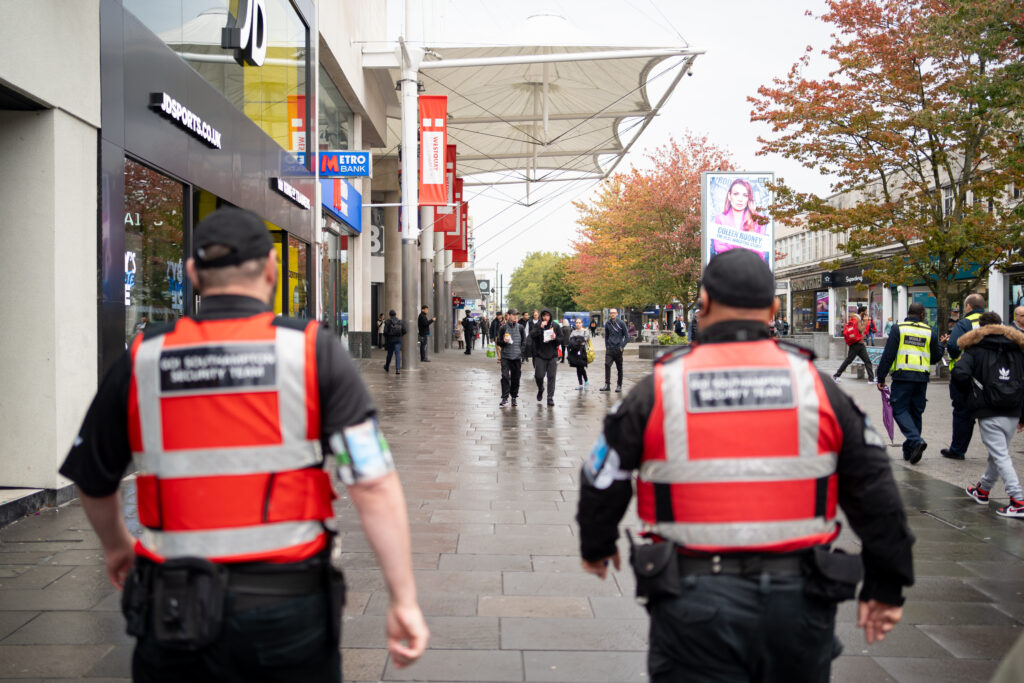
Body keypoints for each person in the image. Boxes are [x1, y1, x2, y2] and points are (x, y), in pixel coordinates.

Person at [59, 208, 428, 681]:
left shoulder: (144, 357)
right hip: (288, 607)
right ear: (272, 270)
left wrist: (116, 547)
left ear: (193, 274)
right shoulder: (313, 351)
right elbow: (372, 482)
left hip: (172, 607)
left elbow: (93, 476)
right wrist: (403, 598)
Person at [576, 248, 914, 683]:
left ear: (703, 304)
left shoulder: (660, 388)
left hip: (693, 602)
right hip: (800, 602)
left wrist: (597, 545)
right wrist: (887, 584)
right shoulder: (817, 388)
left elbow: (602, 476)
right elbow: (875, 489)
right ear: (773, 310)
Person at [950, 312, 1024, 517]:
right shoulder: (1017, 348)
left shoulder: (975, 349)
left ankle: (1017, 500)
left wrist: (971, 395)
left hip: (988, 409)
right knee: (997, 453)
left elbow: (960, 374)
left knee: (1000, 455)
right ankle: (982, 490)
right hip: (1013, 410)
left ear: (979, 328)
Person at [876, 302, 943, 464]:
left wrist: (881, 376)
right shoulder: (930, 332)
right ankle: (910, 450)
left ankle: (915, 440)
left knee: (899, 409)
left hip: (902, 376)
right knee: (915, 411)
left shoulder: (898, 328)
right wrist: (941, 344)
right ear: (923, 315)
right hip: (921, 377)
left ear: (908, 313)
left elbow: (889, 354)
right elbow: (935, 357)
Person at [943, 293, 987, 460]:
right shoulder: (996, 321)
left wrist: (957, 359)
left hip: (967, 374)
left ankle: (958, 449)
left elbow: (954, 346)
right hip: (990, 374)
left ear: (968, 306)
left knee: (963, 412)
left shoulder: (965, 322)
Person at [710, 178, 770, 261]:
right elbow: (719, 247)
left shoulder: (758, 220)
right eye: (736, 194)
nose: (740, 199)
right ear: (729, 196)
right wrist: (746, 245)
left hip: (751, 268)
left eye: (745, 195)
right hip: (727, 267)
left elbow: (760, 251)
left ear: (749, 198)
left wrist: (731, 244)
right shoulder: (720, 218)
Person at [833, 306, 875, 383]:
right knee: (850, 360)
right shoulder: (857, 319)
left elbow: (859, 331)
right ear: (862, 312)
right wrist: (866, 322)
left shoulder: (855, 318)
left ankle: (871, 379)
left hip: (858, 343)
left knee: (866, 361)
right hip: (856, 344)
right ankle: (836, 375)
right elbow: (861, 329)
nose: (866, 314)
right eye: (866, 312)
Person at [530, 308, 562, 406]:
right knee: (538, 376)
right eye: (544, 315)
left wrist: (555, 337)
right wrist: (540, 327)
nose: (545, 317)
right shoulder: (538, 325)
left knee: (551, 377)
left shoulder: (555, 326)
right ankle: (540, 388)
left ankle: (550, 397)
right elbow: (532, 335)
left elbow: (561, 339)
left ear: (550, 316)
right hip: (540, 355)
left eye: (547, 315)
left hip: (552, 355)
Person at [496, 308, 524, 407]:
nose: (516, 316)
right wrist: (504, 341)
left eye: (517, 315)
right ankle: (504, 398)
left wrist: (522, 352)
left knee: (516, 378)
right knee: (505, 376)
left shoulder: (521, 327)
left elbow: (523, 341)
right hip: (506, 356)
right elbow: (498, 342)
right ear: (508, 315)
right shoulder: (503, 328)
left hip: (516, 357)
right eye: (513, 314)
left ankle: (514, 397)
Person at [601, 308, 629, 393]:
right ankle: (607, 385)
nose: (612, 314)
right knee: (607, 365)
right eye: (611, 313)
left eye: (614, 313)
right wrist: (607, 346)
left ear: (617, 314)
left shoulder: (621, 323)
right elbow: (606, 336)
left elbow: (627, 337)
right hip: (610, 348)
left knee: (619, 368)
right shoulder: (608, 323)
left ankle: (619, 385)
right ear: (609, 314)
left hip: (618, 349)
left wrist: (622, 346)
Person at [567, 317, 591, 389]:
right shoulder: (573, 332)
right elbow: (571, 341)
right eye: (576, 323)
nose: (578, 324)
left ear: (582, 323)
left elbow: (585, 340)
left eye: (579, 323)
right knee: (578, 368)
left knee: (581, 367)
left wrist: (576, 340)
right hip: (575, 352)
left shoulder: (585, 331)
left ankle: (586, 381)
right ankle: (580, 384)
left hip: (583, 352)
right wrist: (579, 340)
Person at [383, 309, 407, 375]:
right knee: (398, 354)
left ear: (389, 315)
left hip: (390, 340)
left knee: (389, 354)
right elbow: (405, 331)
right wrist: (400, 336)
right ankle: (398, 369)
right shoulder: (400, 321)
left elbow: (385, 332)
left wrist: (387, 337)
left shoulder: (387, 322)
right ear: (395, 314)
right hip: (398, 340)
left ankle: (387, 366)